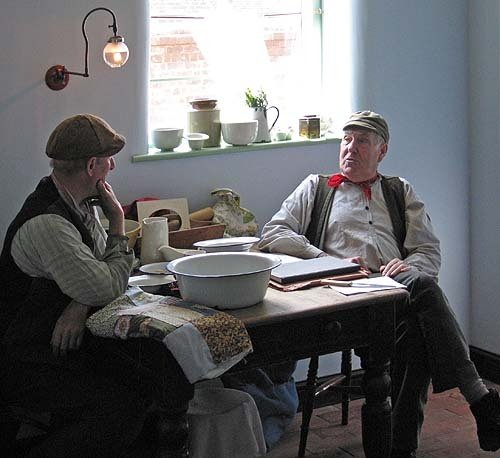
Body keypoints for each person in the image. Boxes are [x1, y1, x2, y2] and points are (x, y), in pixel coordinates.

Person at [258, 110, 500, 457]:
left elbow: (428, 250)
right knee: (419, 325)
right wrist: (325, 259)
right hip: (344, 290)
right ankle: (477, 397)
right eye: (346, 140)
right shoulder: (316, 186)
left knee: (419, 304)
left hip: (396, 286)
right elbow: (274, 232)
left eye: (362, 141)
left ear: (381, 151)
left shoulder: (400, 191)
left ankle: (401, 448)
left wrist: (410, 264)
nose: (350, 149)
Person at [0, 114, 193, 458]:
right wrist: (118, 220)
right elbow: (106, 284)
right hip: (25, 361)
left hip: (56, 348)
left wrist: (79, 303)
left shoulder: (77, 206)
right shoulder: (49, 222)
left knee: (145, 379)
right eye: (107, 160)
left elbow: (100, 278)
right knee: (121, 407)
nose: (112, 166)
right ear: (92, 165)